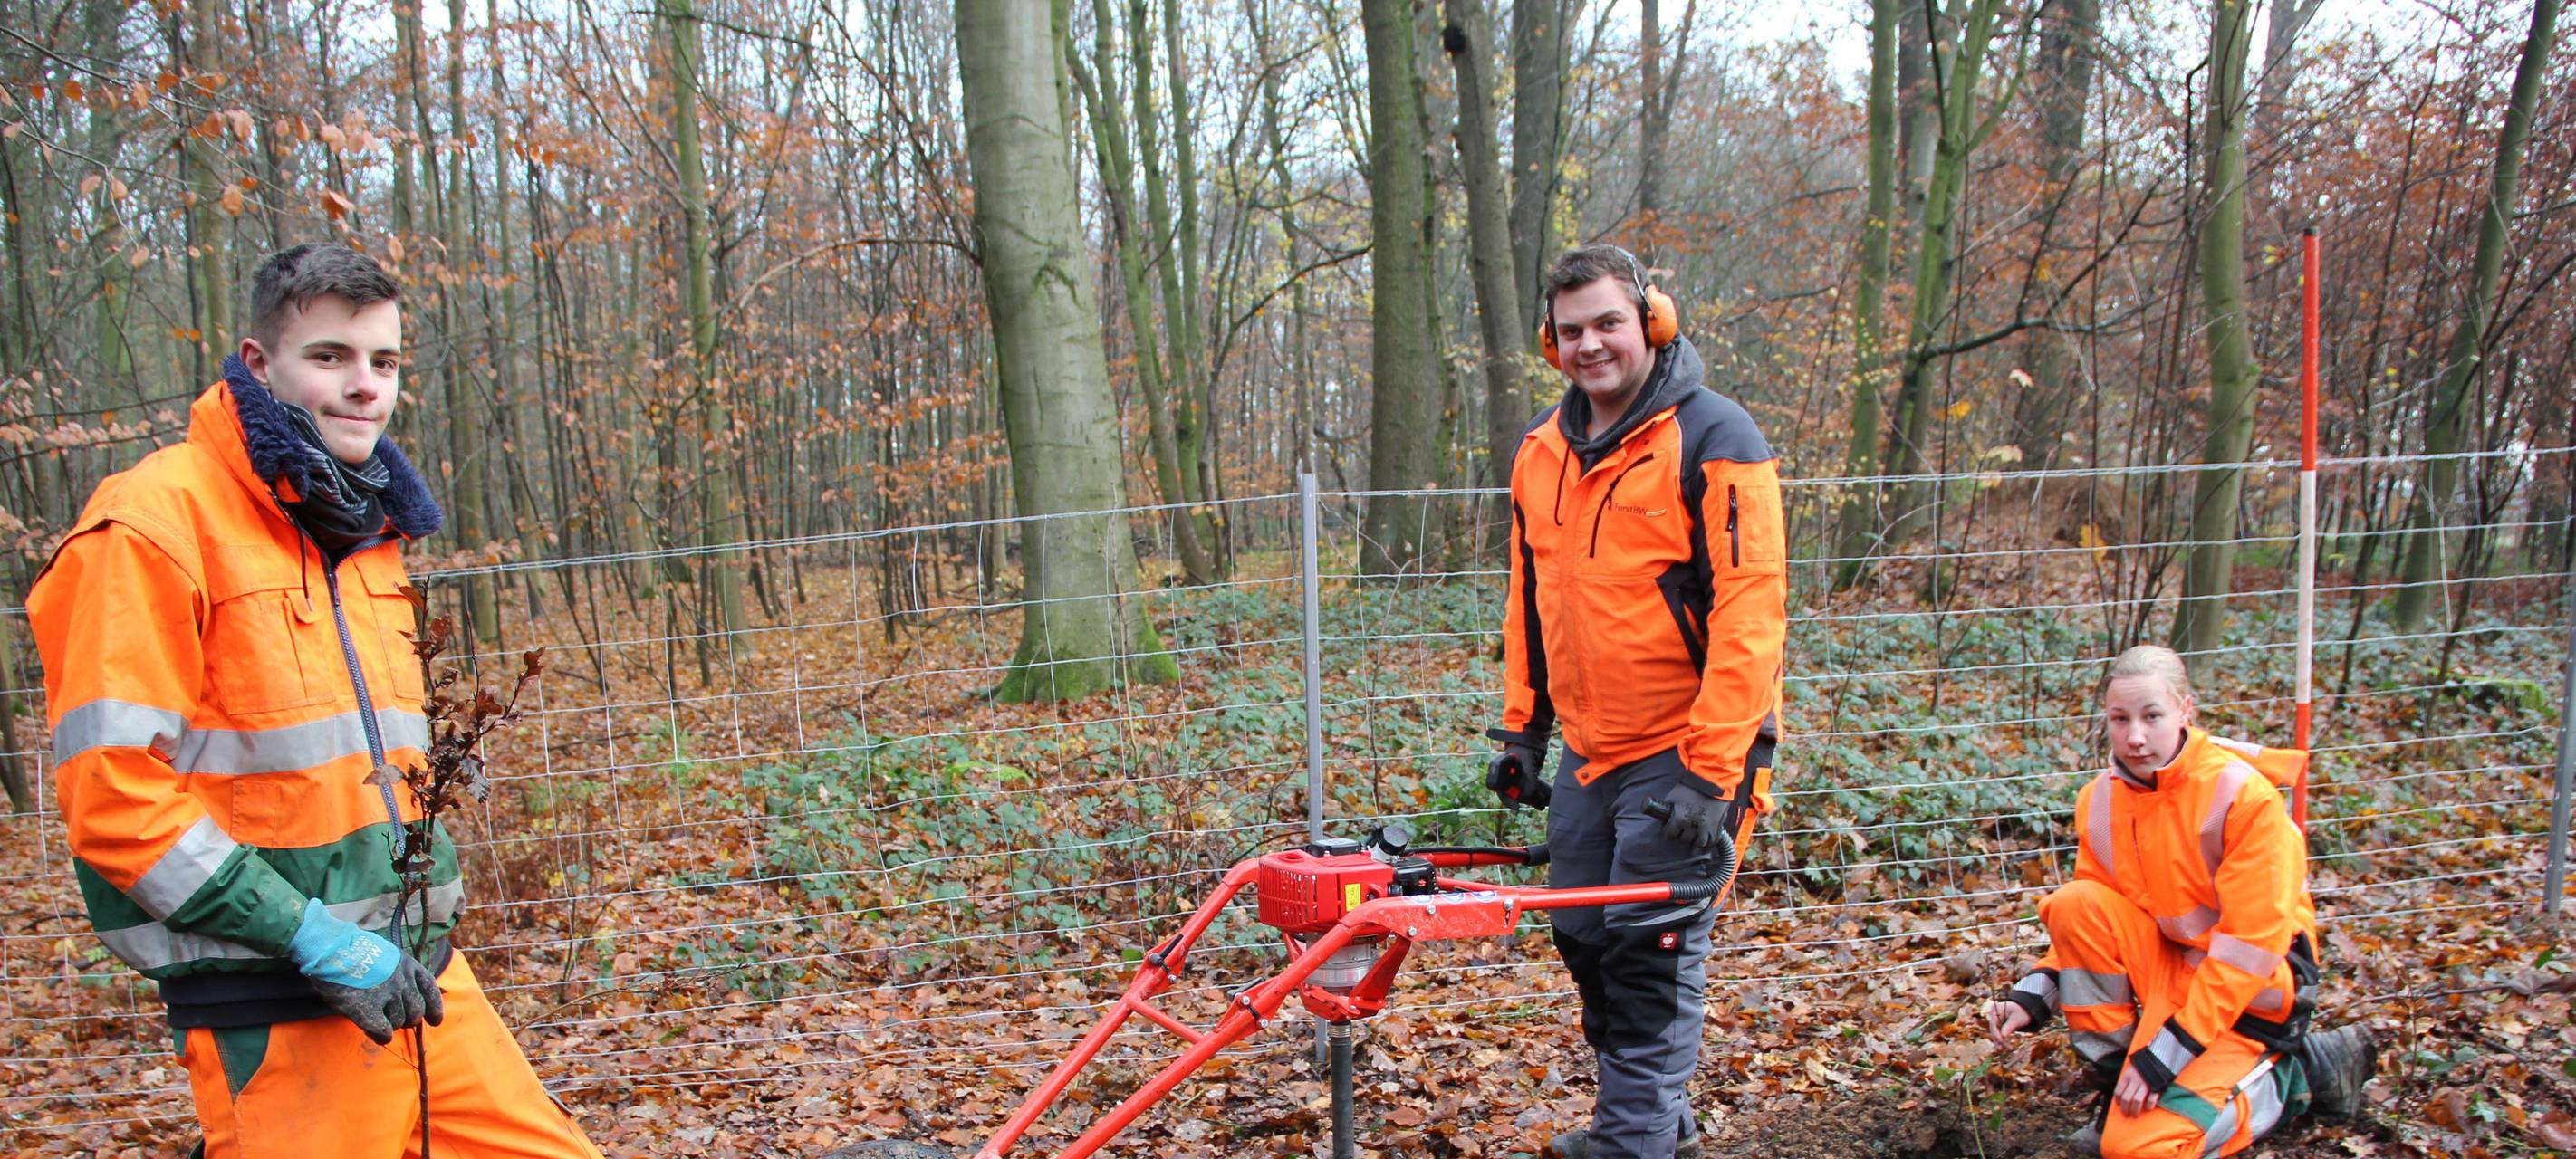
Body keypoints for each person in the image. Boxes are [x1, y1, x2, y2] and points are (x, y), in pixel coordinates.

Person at [29, 244, 602, 1157]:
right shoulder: (150, 524)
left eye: (385, 361)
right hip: (274, 999)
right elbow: (114, 799)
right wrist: (307, 936)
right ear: (260, 364)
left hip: (418, 977)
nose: (365, 385)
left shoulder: (365, 533)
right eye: (330, 356)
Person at [1484, 244, 1787, 1159]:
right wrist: (1523, 728)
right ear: (1551, 341)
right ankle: (1662, 1123)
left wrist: (1712, 772)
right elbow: (1531, 600)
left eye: (1609, 323)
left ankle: (1632, 1141)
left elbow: (1750, 615)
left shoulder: (1716, 438)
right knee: (1583, 932)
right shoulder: (1541, 450)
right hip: (1592, 747)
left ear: (1651, 321)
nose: (1591, 345)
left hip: (1689, 748)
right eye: (1571, 330)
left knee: (1648, 946)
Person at [1985, 645, 2377, 1158]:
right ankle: (2119, 1087)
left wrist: (2166, 1054)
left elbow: (2249, 954)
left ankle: (2297, 1076)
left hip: (2250, 998)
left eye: (2152, 716)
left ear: (2185, 711)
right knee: (2074, 902)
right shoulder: (2099, 800)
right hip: (2173, 979)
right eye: (2120, 719)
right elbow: (2093, 923)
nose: (2135, 736)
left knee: (2140, 1151)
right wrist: (2031, 997)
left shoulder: (2244, 798)